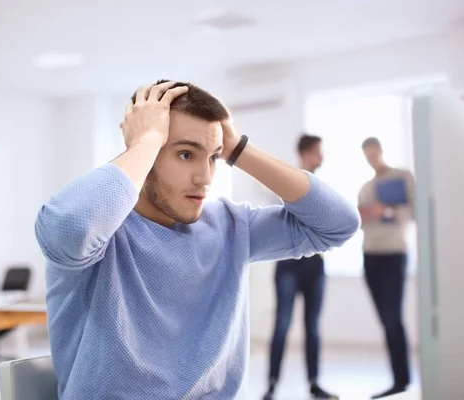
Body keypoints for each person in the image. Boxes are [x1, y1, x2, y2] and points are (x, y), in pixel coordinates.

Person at [35, 80, 360, 399]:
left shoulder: (231, 226)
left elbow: (338, 225)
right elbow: (72, 228)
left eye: (214, 158)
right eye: (186, 154)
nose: (205, 177)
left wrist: (237, 149)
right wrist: (145, 141)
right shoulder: (100, 230)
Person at [263, 135, 338, 400]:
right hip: (289, 264)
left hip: (315, 264)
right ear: (305, 153)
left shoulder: (323, 186)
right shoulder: (288, 178)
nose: (322, 157)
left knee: (313, 326)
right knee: (282, 324)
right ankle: (271, 384)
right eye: (319, 151)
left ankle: (314, 384)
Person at [357, 137, 415, 399]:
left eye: (374, 154)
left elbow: (413, 211)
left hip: (394, 255)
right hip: (370, 256)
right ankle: (399, 379)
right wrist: (366, 214)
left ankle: (401, 381)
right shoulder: (366, 188)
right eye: (367, 156)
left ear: (381, 151)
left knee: (393, 319)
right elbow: (358, 221)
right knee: (385, 320)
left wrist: (386, 212)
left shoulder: (403, 177)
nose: (372, 160)